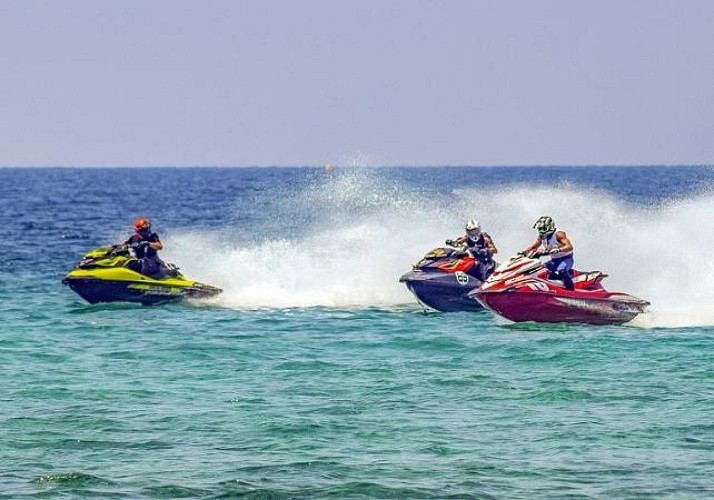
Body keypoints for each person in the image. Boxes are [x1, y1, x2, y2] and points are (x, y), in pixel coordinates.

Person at [522, 215, 575, 290]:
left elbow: (569, 246)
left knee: (562, 270)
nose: (541, 230)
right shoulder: (542, 237)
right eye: (539, 228)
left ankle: (571, 291)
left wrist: (559, 250)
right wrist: (523, 252)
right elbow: (534, 247)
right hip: (554, 261)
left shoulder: (558, 234)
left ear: (550, 227)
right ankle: (556, 284)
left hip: (566, 259)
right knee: (539, 271)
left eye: (543, 228)